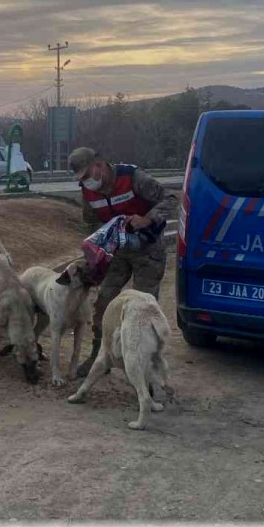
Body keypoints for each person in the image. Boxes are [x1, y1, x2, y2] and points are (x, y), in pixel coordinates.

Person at [68, 147, 178, 377]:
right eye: (82, 179)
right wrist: (97, 245)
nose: (86, 182)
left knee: (141, 309)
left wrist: (147, 218)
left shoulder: (132, 177)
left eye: (88, 175)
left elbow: (170, 198)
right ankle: (100, 356)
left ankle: (146, 366)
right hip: (117, 251)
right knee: (104, 303)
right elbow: (90, 222)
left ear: (99, 164)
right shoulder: (88, 193)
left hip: (147, 249)